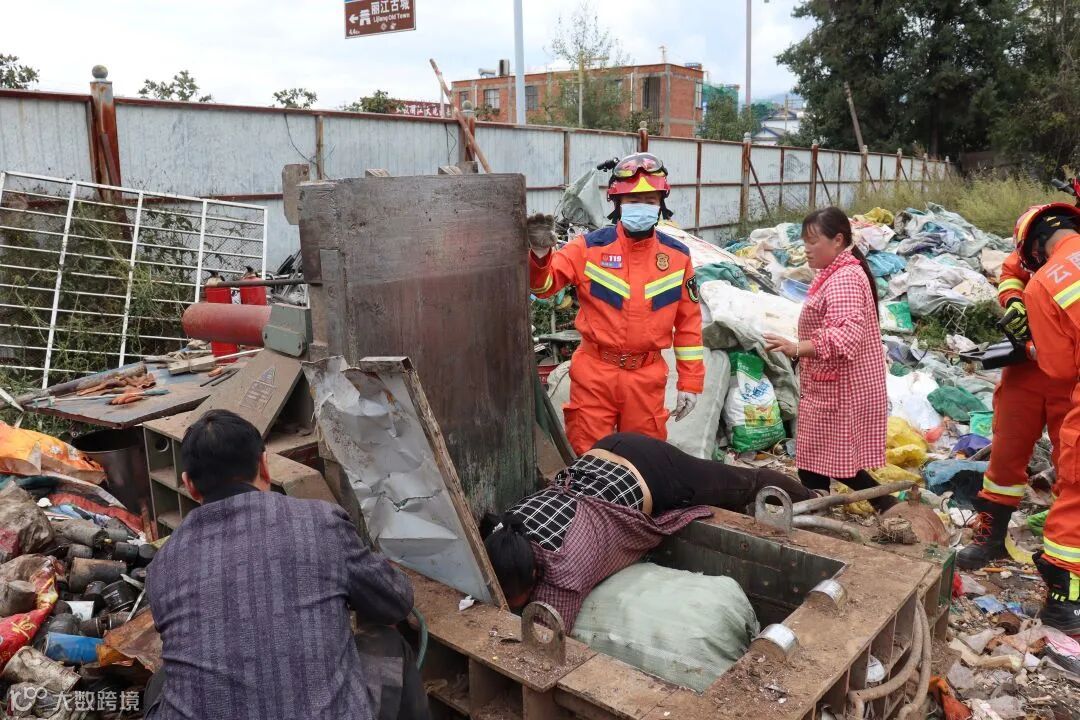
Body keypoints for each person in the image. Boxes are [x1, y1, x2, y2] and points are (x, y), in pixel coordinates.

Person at [145, 410, 427, 720]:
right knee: (387, 643)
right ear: (264, 466)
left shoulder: (163, 563)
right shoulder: (319, 522)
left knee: (161, 681)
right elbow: (396, 601)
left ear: (189, 485)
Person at [482, 432, 817, 629]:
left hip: (653, 470)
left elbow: (544, 636)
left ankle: (814, 498)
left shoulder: (564, 572)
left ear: (536, 574)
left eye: (514, 601)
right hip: (605, 450)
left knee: (744, 484)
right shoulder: (505, 526)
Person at [528, 153, 705, 455]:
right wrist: (540, 254)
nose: (642, 206)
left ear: (661, 204)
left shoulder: (677, 257)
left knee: (643, 460)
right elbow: (543, 288)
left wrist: (690, 381)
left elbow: (689, 325)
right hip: (594, 375)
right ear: (617, 203)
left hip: (646, 381)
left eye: (650, 201)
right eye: (634, 200)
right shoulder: (588, 248)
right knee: (589, 457)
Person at [763, 207, 893, 512]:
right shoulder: (835, 272)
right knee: (820, 459)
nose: (806, 249)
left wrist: (798, 348)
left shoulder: (844, 278)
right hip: (832, 383)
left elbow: (845, 336)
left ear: (837, 240)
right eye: (804, 242)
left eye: (813, 241)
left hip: (839, 388)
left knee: (825, 459)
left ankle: (880, 504)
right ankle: (830, 507)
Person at [956, 248, 1072, 570]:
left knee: (1070, 465)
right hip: (1026, 368)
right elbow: (1012, 273)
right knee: (1006, 452)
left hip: (1071, 374)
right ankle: (991, 538)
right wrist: (1015, 302)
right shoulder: (1045, 235)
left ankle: (1062, 554)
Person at [1010, 202, 1080, 634]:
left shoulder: (1043, 284)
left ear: (1035, 249)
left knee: (1075, 498)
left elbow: (1060, 369)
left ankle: (1063, 603)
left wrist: (1031, 346)